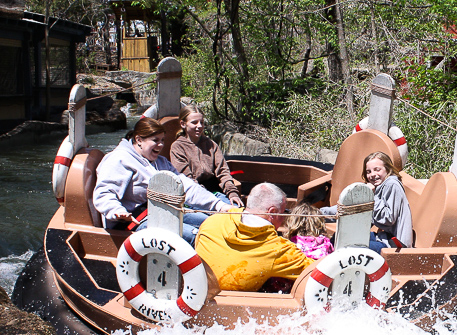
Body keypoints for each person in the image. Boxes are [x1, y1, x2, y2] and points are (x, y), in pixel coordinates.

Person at [93, 117, 235, 246]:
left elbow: (186, 187)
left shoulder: (160, 162)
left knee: (211, 225)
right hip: (134, 223)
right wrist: (117, 211)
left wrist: (219, 205)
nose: (160, 145)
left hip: (164, 212)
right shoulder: (118, 159)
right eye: (155, 140)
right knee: (196, 236)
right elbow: (104, 193)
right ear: (139, 140)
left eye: (162, 140)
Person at [195, 182, 313, 292]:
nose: (283, 219)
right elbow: (318, 272)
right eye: (283, 212)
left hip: (195, 298)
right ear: (272, 212)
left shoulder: (212, 221)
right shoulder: (279, 249)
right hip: (234, 309)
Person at [321, 151, 413, 254]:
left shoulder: (392, 185)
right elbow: (351, 206)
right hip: (384, 238)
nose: (373, 175)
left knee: (347, 247)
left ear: (387, 169)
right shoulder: (378, 186)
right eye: (368, 172)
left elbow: (388, 218)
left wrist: (372, 196)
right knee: (338, 239)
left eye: (377, 170)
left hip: (396, 245)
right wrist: (321, 214)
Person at [169, 105, 244, 207]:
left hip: (215, 192)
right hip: (194, 197)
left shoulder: (210, 144)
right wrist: (208, 199)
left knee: (236, 210)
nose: (199, 126)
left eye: (202, 122)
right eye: (194, 122)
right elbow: (187, 179)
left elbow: (223, 171)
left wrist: (232, 193)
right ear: (183, 124)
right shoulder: (178, 147)